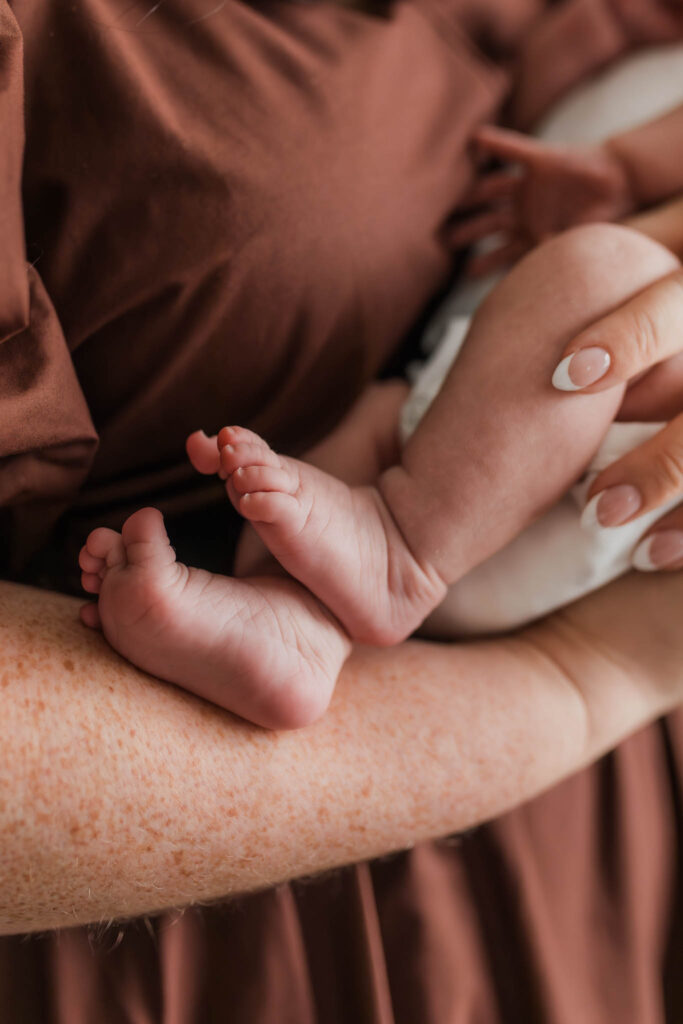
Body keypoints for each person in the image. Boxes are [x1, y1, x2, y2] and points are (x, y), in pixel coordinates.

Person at [4, 1, 683, 1022]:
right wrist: (594, 675)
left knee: (600, 282)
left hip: (561, 494)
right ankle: (319, 603)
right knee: (445, 398)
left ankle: (386, 558)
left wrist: (629, 178)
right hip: (507, 572)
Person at [76, 106, 683, 729]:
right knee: (376, 438)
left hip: (597, 462)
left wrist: (624, 169)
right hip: (500, 496)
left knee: (611, 272)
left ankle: (400, 548)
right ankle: (294, 628)